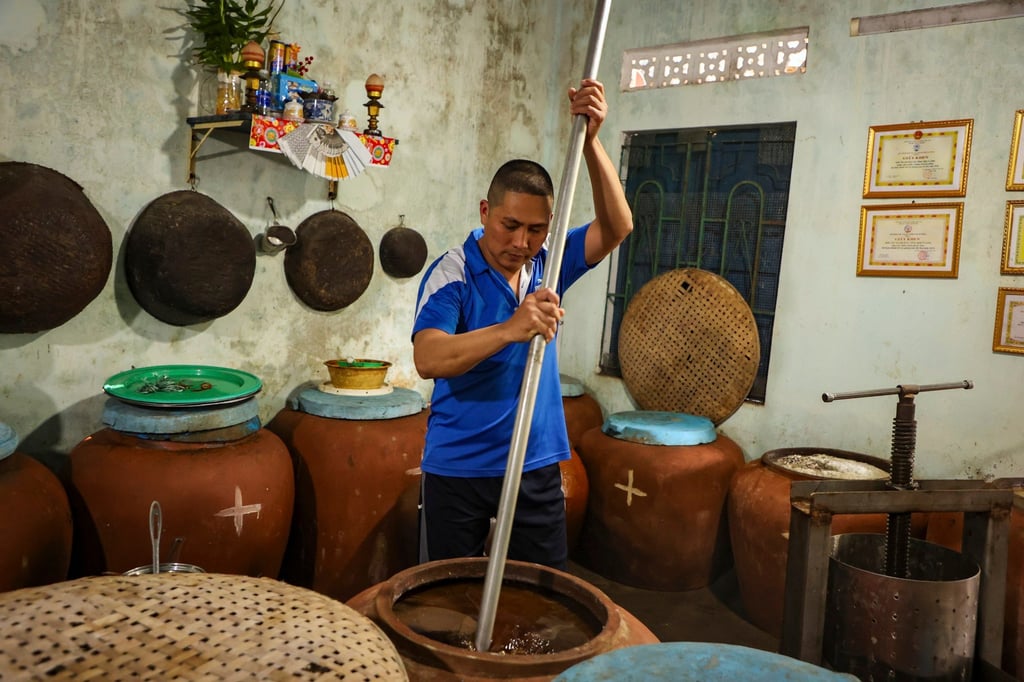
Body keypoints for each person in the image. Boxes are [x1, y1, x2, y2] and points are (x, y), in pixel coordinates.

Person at [411, 78, 632, 570]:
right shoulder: (454, 272)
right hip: (459, 467)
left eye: (535, 229)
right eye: (510, 225)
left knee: (542, 601)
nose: (521, 241)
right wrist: (513, 327)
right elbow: (429, 358)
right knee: (446, 601)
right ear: (486, 212)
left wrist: (592, 142)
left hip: (535, 463)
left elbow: (618, 226)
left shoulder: (550, 263)